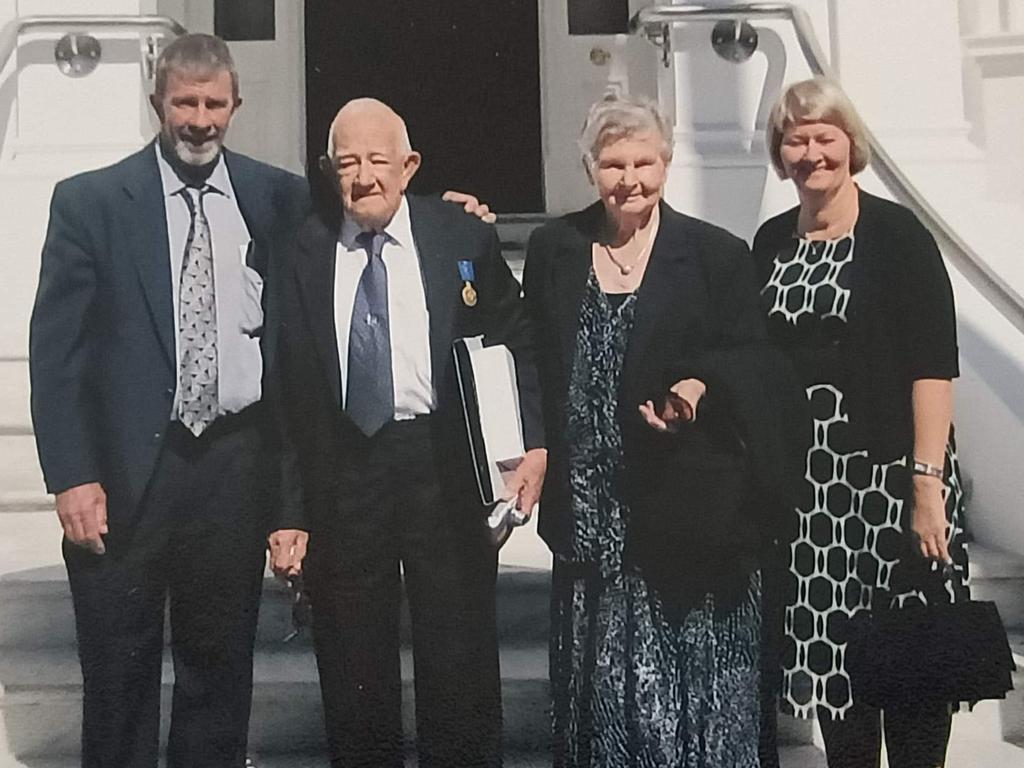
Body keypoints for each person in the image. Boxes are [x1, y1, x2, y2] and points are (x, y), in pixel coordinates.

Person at [28, 33, 310, 767]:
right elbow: (59, 356)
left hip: (231, 465)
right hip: (124, 473)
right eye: (185, 102)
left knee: (218, 669)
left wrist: (459, 215)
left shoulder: (276, 198)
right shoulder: (92, 203)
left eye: (215, 103)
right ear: (158, 102)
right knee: (118, 672)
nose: (200, 119)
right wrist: (71, 475)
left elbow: (356, 227)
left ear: (236, 106)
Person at [523, 94, 805, 768]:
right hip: (590, 515)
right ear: (589, 166)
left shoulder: (714, 254)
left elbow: (753, 358)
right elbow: (529, 353)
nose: (630, 179)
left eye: (643, 162)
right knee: (601, 699)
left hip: (685, 510)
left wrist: (698, 387)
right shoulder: (554, 248)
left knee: (689, 693)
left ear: (667, 162)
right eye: (613, 164)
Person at [277, 97, 547, 768]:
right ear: (325, 170)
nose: (364, 176)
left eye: (378, 159)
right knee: (352, 661)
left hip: (442, 462)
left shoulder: (460, 236)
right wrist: (286, 512)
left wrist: (531, 445)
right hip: (344, 468)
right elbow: (283, 391)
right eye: (347, 162)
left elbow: (517, 340)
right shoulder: (301, 248)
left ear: (409, 165)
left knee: (458, 658)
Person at [753, 77, 969, 768]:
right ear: (779, 153)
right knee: (836, 678)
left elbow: (934, 362)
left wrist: (927, 486)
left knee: (909, 670)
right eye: (797, 139)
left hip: (889, 481)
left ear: (852, 144)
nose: (813, 152)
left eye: (825, 136)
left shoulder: (897, 236)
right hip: (809, 495)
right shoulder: (768, 242)